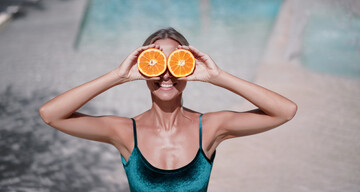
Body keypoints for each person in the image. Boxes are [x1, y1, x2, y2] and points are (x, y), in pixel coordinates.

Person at [39, 27, 297, 192]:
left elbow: (285, 111)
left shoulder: (209, 128)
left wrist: (217, 76)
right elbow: (50, 114)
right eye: (155, 62)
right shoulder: (125, 132)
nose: (165, 74)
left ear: (188, 67)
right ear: (143, 68)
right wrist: (117, 76)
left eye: (175, 62)